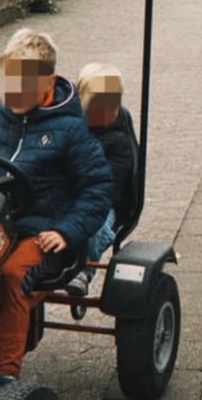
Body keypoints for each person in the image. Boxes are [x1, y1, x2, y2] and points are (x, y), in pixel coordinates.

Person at [0, 28, 113, 396]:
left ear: (47, 82)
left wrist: (67, 231)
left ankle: (7, 375)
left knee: (13, 275)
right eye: (9, 78)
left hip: (46, 231)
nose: (14, 90)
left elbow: (98, 188)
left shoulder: (71, 130)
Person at [65, 62, 140, 296]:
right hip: (63, 197)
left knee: (95, 223)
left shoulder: (118, 139)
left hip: (104, 202)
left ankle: (83, 269)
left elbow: (106, 183)